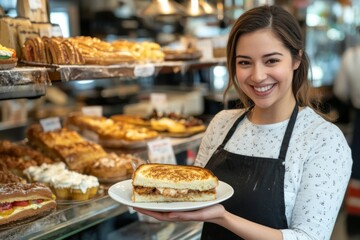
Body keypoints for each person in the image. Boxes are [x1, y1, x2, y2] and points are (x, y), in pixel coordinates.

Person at [135, 5, 352, 240]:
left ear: (296, 59)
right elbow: (193, 196)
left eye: (271, 61)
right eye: (245, 63)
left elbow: (310, 237)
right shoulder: (222, 124)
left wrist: (223, 217)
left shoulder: (323, 140)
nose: (257, 76)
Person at [333, 26, 360, 239]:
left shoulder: (352, 56)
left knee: (358, 172)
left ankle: (354, 226)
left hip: (359, 117)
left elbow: (340, 90)